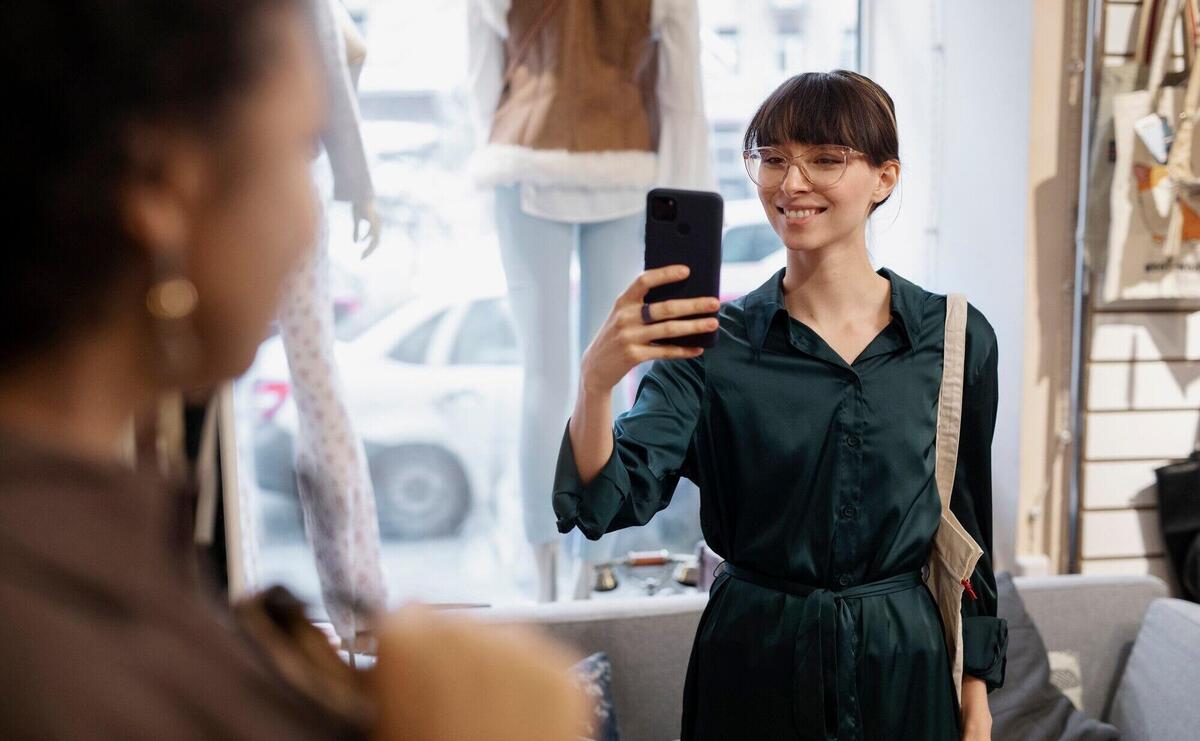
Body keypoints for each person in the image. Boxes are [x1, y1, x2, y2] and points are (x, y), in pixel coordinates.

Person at [0, 1, 585, 739]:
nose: (310, 218)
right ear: (163, 189)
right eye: (300, 146)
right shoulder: (71, 658)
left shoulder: (93, 571)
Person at [553, 70, 1008, 740]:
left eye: (826, 159)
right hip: (756, 662)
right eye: (772, 159)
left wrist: (976, 698)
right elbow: (608, 498)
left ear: (885, 178)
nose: (791, 183)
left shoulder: (954, 338)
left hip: (902, 664)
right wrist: (595, 382)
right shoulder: (711, 346)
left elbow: (968, 535)